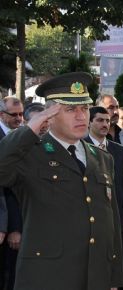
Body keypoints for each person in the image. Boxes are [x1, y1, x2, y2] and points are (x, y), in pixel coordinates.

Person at [0, 72, 123, 290]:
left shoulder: (102, 158)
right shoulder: (29, 153)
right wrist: (29, 129)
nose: (80, 116)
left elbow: (111, 220)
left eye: (84, 108)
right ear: (50, 115)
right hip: (48, 277)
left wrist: (113, 279)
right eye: (70, 110)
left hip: (95, 277)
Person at [86, 106, 123, 289]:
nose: (105, 124)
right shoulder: (80, 147)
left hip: (117, 217)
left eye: (107, 121)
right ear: (89, 122)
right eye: (99, 120)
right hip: (91, 216)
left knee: (115, 261)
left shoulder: (119, 150)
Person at [0, 97, 24, 290]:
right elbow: (6, 188)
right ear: (1, 115)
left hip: (18, 225)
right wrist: (11, 227)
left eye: (21, 114)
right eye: (13, 115)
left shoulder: (24, 138)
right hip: (6, 226)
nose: (19, 118)